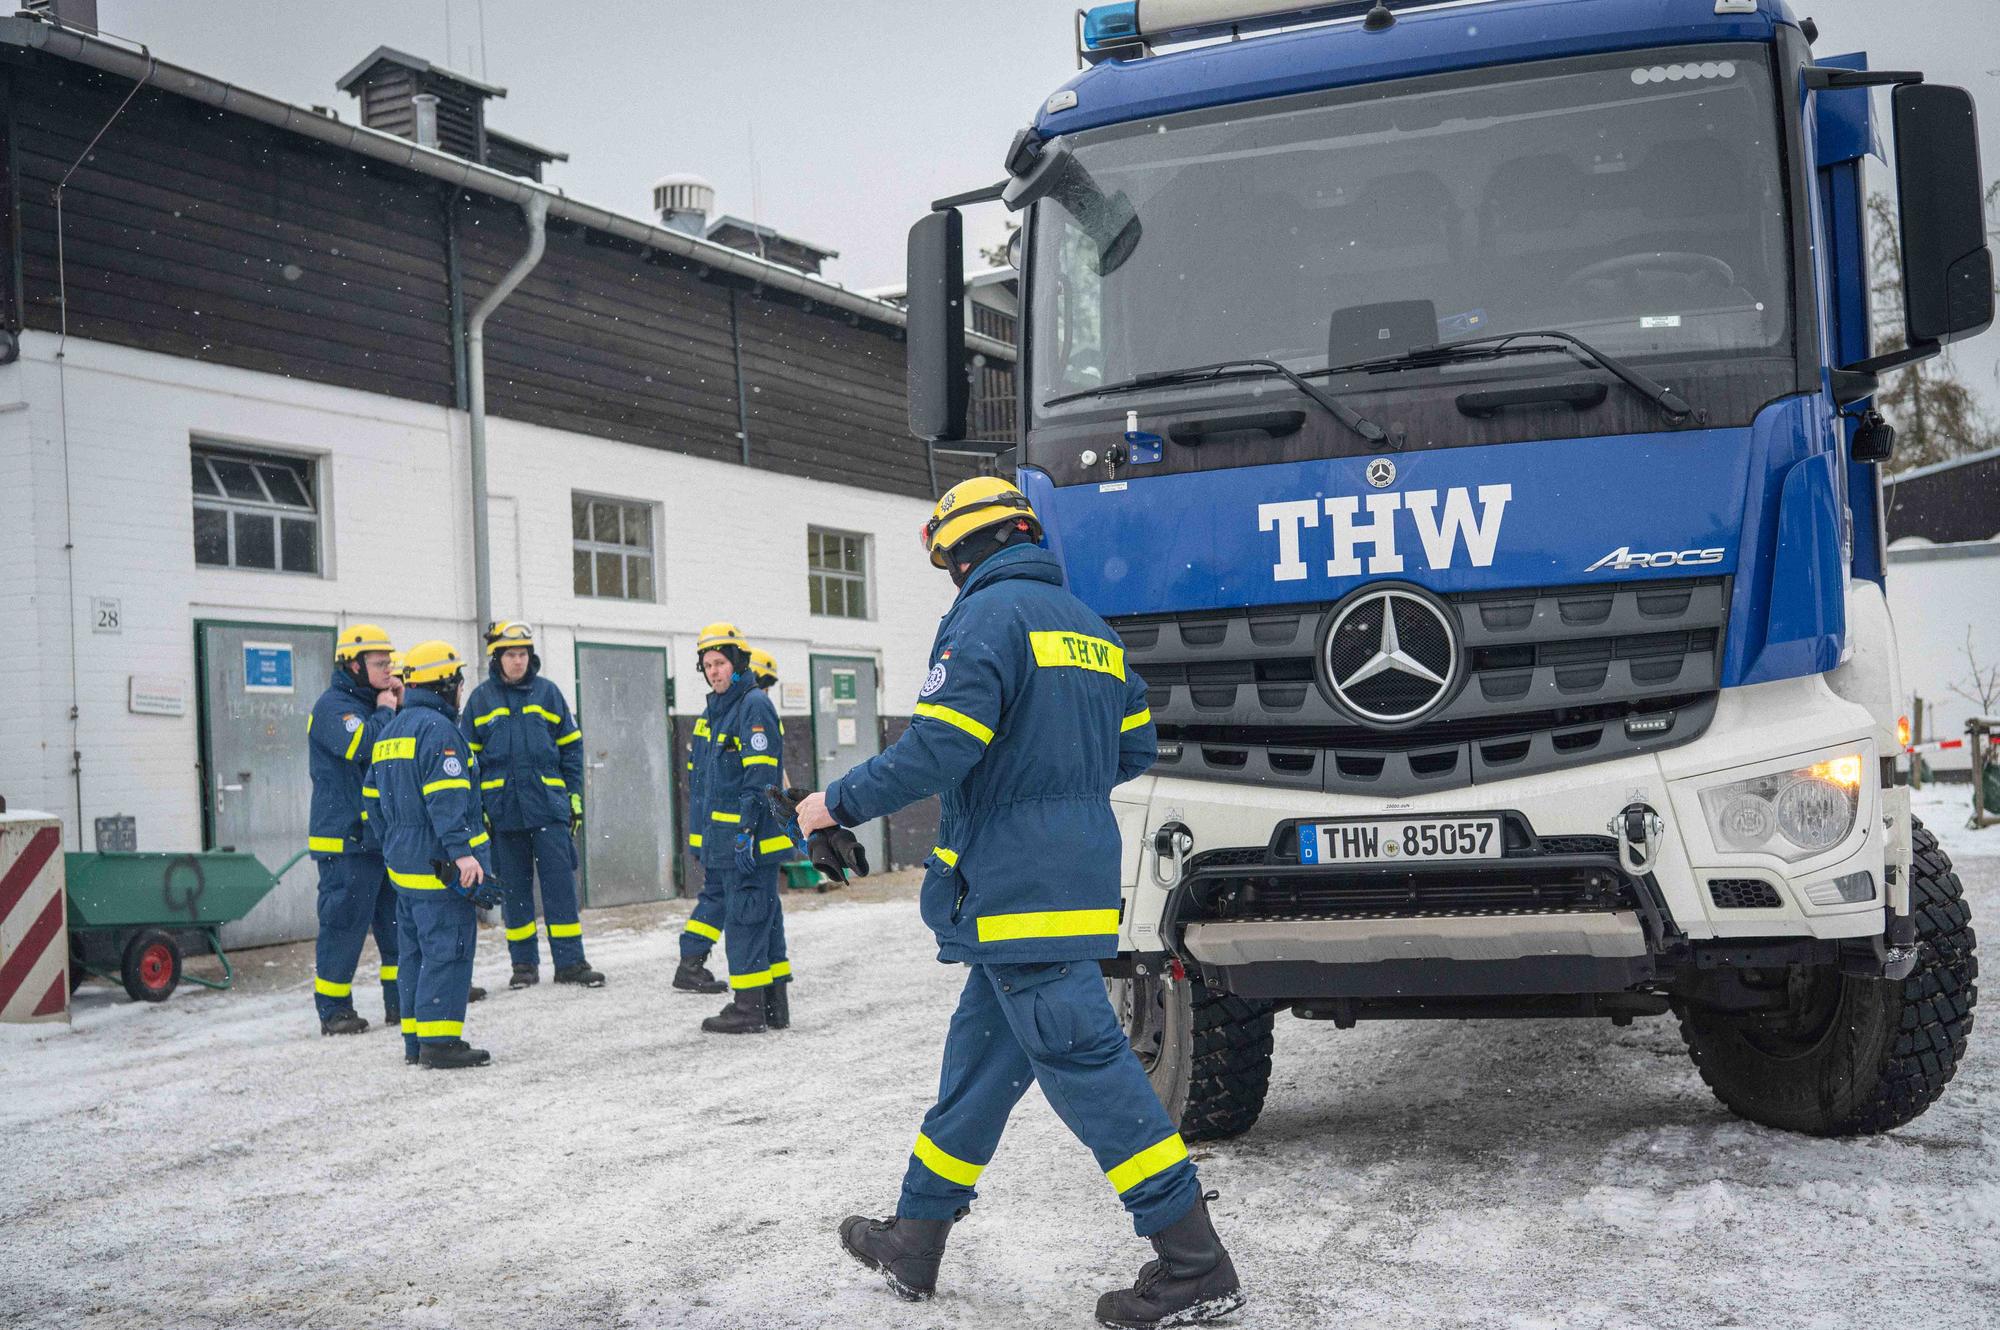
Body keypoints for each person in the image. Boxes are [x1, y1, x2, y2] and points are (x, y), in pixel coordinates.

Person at [796, 476, 1244, 1327]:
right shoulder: (1093, 632)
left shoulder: (985, 618)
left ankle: (1195, 1262)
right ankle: (916, 1239)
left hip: (1011, 891)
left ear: (963, 550)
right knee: (979, 1068)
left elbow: (939, 747)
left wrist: (834, 805)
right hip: (1069, 883)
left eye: (945, 561)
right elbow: (1133, 748)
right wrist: (1056, 792)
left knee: (1088, 1067)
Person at [374, 640, 504, 1070]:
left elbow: (371, 800)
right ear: (445, 684)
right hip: (440, 866)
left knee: (414, 953)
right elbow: (446, 800)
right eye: (459, 680)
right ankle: (441, 1042)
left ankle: (415, 1039)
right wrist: (463, 854)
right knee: (448, 948)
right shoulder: (440, 731)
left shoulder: (390, 730)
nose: (462, 689)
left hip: (404, 865)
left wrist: (395, 842)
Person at [462, 621, 604, 990]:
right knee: (515, 893)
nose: (517, 661)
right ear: (498, 658)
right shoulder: (480, 701)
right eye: (510, 654)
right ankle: (523, 966)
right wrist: (478, 812)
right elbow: (468, 764)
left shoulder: (549, 694)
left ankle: (570, 963)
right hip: (503, 814)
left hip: (549, 811)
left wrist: (573, 798)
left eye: (523, 654)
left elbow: (571, 749)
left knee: (560, 889)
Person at [689, 623, 795, 1034]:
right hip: (732, 842)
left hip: (749, 842)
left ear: (737, 664)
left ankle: (748, 1008)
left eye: (721, 663)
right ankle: (773, 1006)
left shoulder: (752, 705)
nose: (714, 671)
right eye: (708, 665)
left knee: (747, 919)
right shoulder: (720, 710)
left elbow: (760, 779)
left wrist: (746, 832)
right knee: (762, 918)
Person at [305, 623, 402, 1036]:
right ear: (354, 665)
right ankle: (334, 1011)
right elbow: (364, 746)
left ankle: (402, 1002)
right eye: (379, 664)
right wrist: (385, 709)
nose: (387, 670)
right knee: (343, 927)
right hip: (344, 841)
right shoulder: (332, 707)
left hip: (378, 839)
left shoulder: (377, 704)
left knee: (396, 927)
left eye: (389, 663)